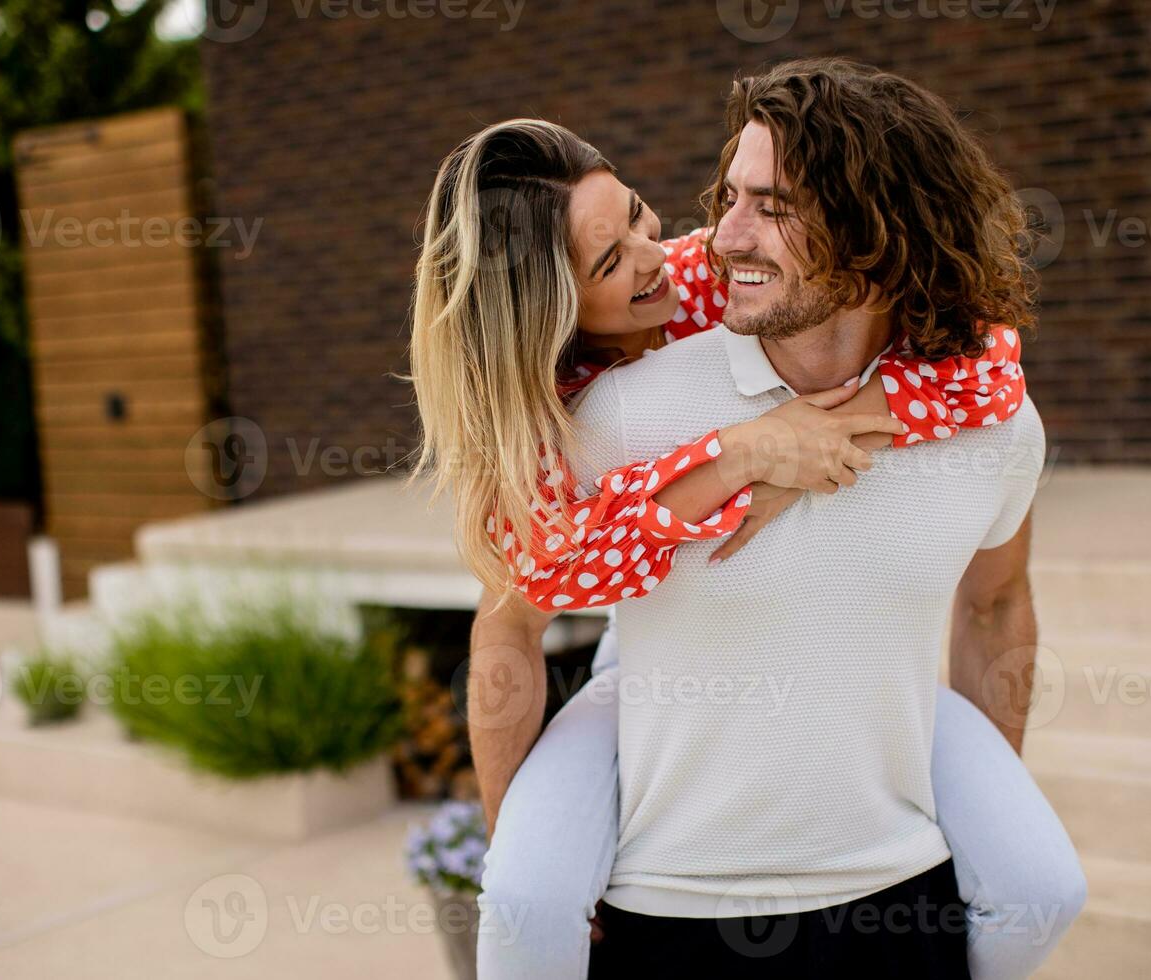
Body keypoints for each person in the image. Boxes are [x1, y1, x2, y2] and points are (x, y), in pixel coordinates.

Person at [409, 61, 1084, 979]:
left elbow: (990, 408)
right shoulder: (592, 415)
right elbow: (531, 592)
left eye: (769, 203)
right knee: (526, 906)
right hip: (655, 782)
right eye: (611, 262)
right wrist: (743, 456)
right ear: (560, 306)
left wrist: (849, 419)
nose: (705, 240)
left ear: (881, 227)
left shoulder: (981, 411)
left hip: (891, 862)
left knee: (1046, 888)